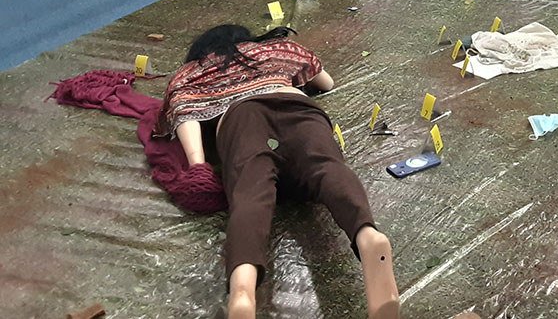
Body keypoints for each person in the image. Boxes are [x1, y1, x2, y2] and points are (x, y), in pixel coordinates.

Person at [155, 24, 400, 319]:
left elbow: (184, 113)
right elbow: (326, 82)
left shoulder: (192, 72)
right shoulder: (276, 49)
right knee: (327, 167)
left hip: (242, 118)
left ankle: (243, 286)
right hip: (298, 107)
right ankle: (367, 234)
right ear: (245, 37)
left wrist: (198, 164)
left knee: (250, 195)